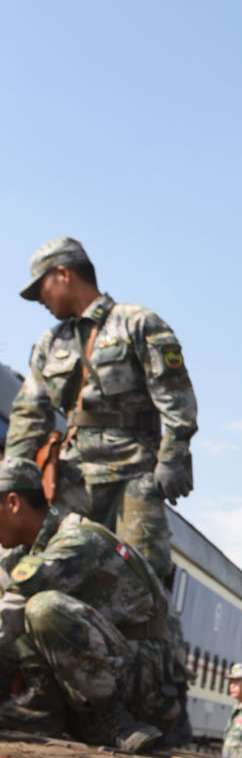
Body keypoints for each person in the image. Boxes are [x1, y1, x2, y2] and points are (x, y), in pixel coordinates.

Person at [6, 238, 197, 581]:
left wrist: (175, 453)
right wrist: (13, 478)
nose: (40, 301)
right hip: (72, 480)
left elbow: (174, 394)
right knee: (53, 573)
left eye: (41, 289)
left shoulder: (136, 323)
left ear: (63, 274)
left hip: (133, 475)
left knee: (140, 577)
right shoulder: (51, 343)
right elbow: (28, 415)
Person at [0, 456, 188, 750]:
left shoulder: (75, 542)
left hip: (143, 688)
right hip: (111, 669)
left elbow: (7, 618)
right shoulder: (26, 551)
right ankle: (45, 708)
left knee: (40, 607)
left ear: (13, 503)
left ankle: (111, 721)